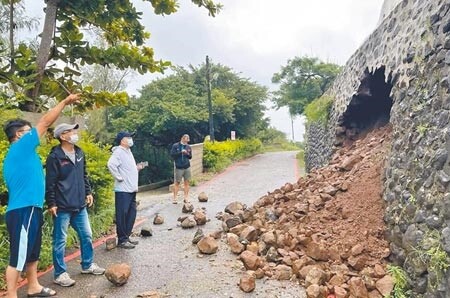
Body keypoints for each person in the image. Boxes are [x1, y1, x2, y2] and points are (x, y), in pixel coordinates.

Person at [2, 94, 80, 298]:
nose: (34, 134)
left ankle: (33, 286)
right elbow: (45, 121)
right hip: (23, 209)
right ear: (18, 135)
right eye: (28, 132)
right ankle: (11, 294)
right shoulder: (20, 147)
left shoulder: (26, 154)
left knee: (32, 252)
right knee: (18, 256)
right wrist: (64, 102)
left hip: (32, 208)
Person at [45, 123, 106, 288]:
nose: (74, 133)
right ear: (62, 136)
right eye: (70, 131)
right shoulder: (55, 156)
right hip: (62, 206)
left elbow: (83, 175)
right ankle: (60, 274)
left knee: (86, 235)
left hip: (80, 205)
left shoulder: (79, 152)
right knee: (60, 241)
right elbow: (50, 182)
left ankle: (87, 264)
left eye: (74, 130)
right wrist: (51, 203)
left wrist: (88, 192)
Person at [107, 131, 146, 249]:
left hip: (131, 189)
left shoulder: (128, 151)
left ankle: (126, 236)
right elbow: (111, 164)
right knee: (122, 215)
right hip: (123, 190)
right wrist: (119, 177)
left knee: (131, 214)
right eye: (127, 137)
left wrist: (137, 168)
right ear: (122, 140)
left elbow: (127, 168)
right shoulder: (118, 152)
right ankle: (122, 240)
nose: (130, 139)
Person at [170, 134, 192, 204]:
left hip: (187, 166)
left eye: (188, 140)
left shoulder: (188, 147)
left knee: (187, 182)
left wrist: (186, 153)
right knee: (177, 183)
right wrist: (180, 152)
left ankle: (186, 197)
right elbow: (173, 155)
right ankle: (175, 198)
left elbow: (190, 157)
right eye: (186, 139)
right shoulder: (175, 146)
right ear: (182, 138)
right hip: (179, 167)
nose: (187, 141)